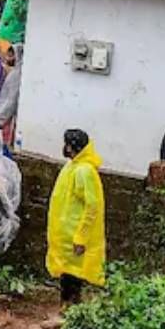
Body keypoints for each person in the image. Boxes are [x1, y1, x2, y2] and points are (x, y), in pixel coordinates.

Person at [47, 129, 106, 302]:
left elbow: (92, 206)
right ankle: (66, 313)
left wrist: (81, 237)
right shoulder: (72, 166)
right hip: (65, 237)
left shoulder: (84, 171)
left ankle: (69, 315)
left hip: (74, 237)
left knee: (73, 278)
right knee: (67, 276)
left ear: (73, 147)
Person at [0, 44, 24, 150]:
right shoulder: (15, 71)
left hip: (6, 118)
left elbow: (11, 100)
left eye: (11, 56)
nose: (8, 58)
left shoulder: (17, 74)